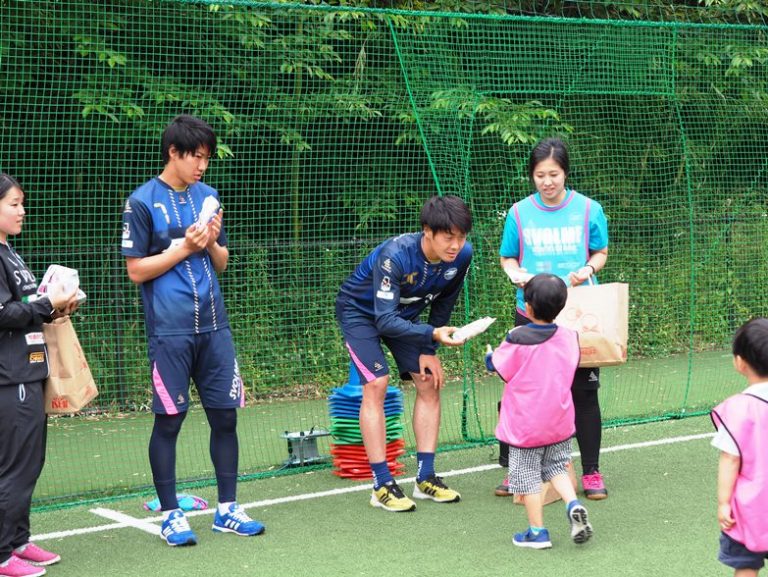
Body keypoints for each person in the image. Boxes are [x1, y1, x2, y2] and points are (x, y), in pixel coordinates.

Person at [121, 115, 264, 547]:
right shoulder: (141, 202)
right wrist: (184, 246)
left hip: (215, 329)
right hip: (170, 332)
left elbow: (221, 263)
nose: (202, 165)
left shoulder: (208, 196)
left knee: (225, 417)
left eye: (206, 158)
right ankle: (171, 515)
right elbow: (135, 270)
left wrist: (213, 242)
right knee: (169, 421)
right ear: (174, 153)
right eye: (196, 157)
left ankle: (227, 510)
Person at [336, 195, 473, 512]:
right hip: (361, 314)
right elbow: (384, 320)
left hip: (404, 316)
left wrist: (429, 349)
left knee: (428, 381)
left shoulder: (462, 256)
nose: (455, 245)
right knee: (377, 383)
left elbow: (444, 303)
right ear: (427, 231)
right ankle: (381, 485)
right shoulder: (394, 256)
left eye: (461, 236)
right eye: (448, 237)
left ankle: (426, 478)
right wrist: (432, 334)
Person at [498, 137, 609, 500]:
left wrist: (587, 269)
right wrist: (514, 273)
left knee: (584, 392)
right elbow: (508, 257)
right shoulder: (518, 213)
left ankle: (591, 471)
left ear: (565, 173)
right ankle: (515, 472)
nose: (547, 182)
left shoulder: (589, 209)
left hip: (578, 313)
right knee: (523, 391)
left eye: (554, 174)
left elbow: (600, 252)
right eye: (540, 175)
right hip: (530, 312)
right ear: (532, 176)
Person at [0, 173, 79, 577]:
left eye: (22, 203)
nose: (22, 211)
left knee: (31, 462)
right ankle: (1, 555)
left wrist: (56, 304)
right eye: (13, 204)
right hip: (9, 377)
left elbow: (25, 305)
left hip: (30, 371)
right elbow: (3, 313)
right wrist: (47, 303)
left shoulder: (9, 252)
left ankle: (18, 541)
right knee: (14, 466)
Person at [485, 273, 592, 548]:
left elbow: (502, 368)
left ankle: (537, 532)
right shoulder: (570, 337)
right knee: (556, 466)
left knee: (528, 477)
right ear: (561, 306)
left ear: (528, 307)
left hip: (526, 424)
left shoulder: (517, 337)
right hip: (559, 420)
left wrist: (489, 358)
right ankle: (573, 504)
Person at [711, 318, 768, 576]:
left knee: (745, 563)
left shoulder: (737, 409)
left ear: (740, 362)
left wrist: (724, 502)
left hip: (748, 510)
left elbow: (730, 459)